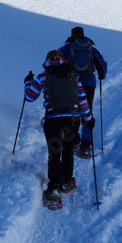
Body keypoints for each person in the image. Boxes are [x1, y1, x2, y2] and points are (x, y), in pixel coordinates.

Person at [25, 50, 93, 208]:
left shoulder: (43, 76)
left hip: (52, 120)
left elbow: (29, 97)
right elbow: (82, 99)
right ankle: (67, 182)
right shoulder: (73, 75)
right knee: (68, 149)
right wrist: (88, 119)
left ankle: (54, 189)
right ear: (62, 59)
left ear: (48, 60)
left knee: (54, 153)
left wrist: (28, 82)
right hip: (72, 119)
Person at [59, 26, 107, 157]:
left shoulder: (65, 48)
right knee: (87, 110)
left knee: (72, 109)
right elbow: (103, 66)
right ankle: (86, 144)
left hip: (71, 82)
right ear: (83, 35)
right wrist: (101, 76)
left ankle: (74, 141)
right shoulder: (92, 48)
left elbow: (57, 64)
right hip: (88, 82)